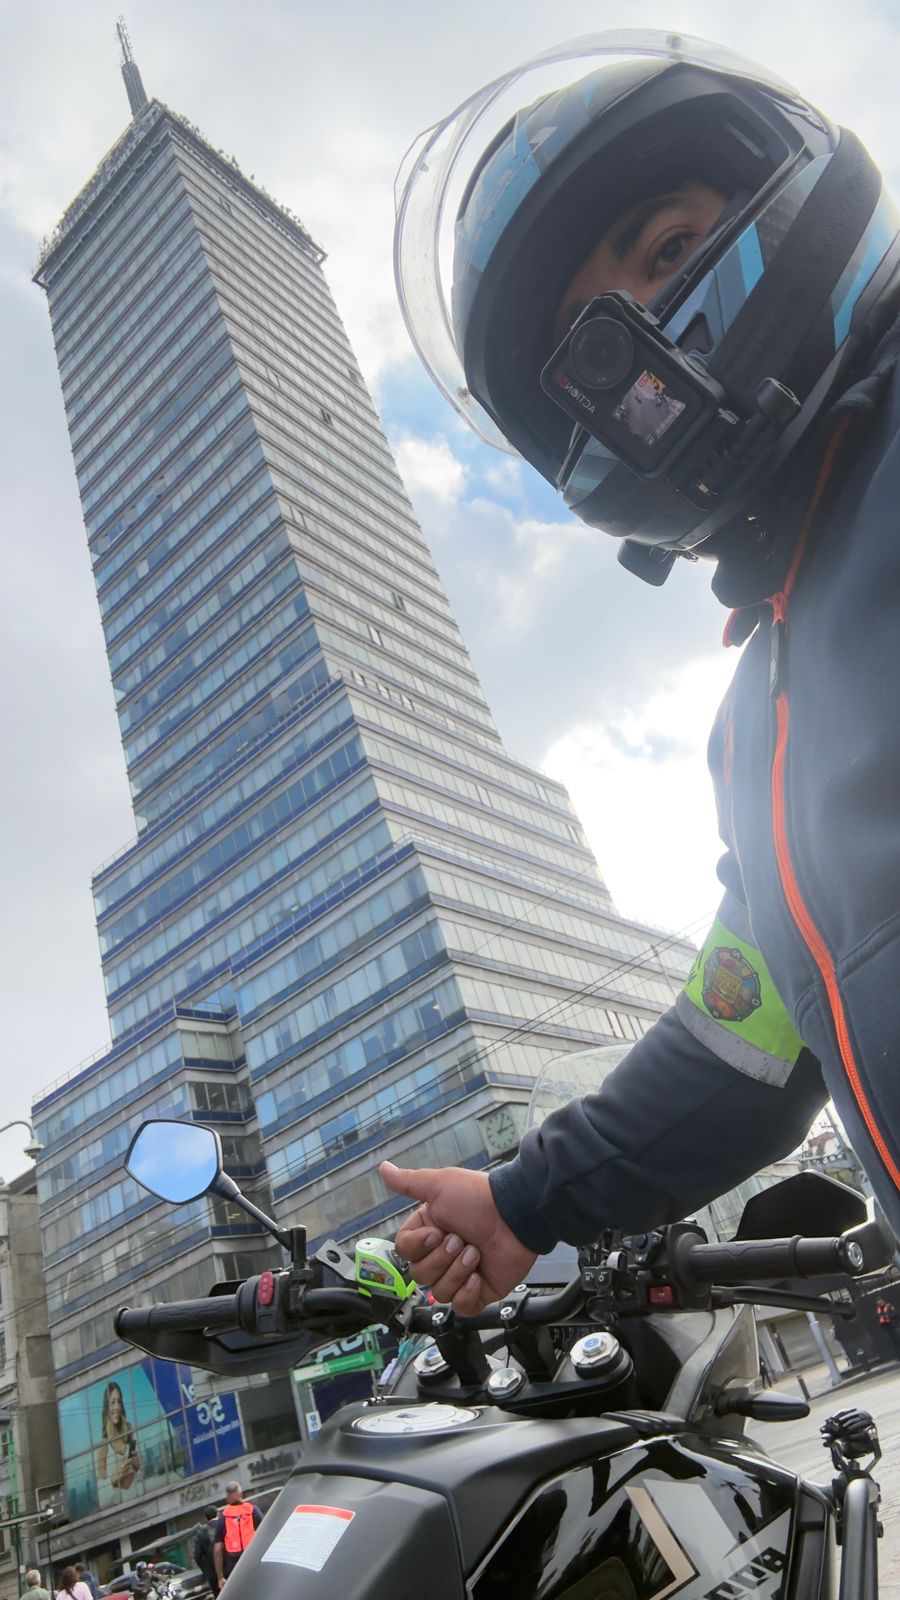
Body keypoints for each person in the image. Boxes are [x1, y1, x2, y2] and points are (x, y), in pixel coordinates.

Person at [385, 30, 900, 1310]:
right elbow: (744, 1037)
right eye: (585, 347)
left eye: (671, 252)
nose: (648, 337)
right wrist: (520, 1201)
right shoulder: (757, 732)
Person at [212, 1481, 262, 1590]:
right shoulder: (253, 1511)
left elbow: (217, 1551)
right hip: (252, 1559)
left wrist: (220, 1577)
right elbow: (266, 1533)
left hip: (233, 1565)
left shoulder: (223, 1518)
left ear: (227, 1499)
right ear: (241, 1495)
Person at [95, 1381, 140, 1491]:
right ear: (107, 1407)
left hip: (138, 1493)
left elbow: (139, 1471)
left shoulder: (129, 1429)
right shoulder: (103, 1446)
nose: (117, 1407)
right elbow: (101, 1493)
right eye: (112, 1402)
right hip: (121, 1503)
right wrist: (115, 1477)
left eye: (119, 1402)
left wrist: (137, 1464)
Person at [191, 1504, 220, 1593]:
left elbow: (197, 1556)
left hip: (213, 1574)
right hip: (230, 1568)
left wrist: (206, 1570)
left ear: (206, 1518)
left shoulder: (201, 1533)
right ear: (217, 1514)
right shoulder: (225, 1525)